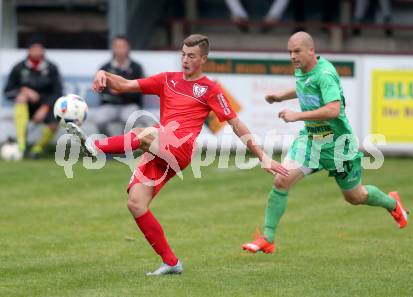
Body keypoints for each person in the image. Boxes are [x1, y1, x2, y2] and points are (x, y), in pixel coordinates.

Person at [66, 34, 289, 275]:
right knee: (136, 204)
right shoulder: (167, 80)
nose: (185, 59)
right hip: (159, 148)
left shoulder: (210, 89)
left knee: (142, 133)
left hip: (180, 148)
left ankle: (93, 146)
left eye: (191, 56)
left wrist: (262, 155)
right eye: (183, 54)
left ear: (203, 59)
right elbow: (124, 85)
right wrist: (104, 75)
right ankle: (172, 262)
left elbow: (236, 124)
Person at [242, 31, 408, 254]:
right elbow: (304, 87)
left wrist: (297, 115)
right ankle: (268, 237)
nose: (292, 56)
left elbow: (333, 109)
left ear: (311, 50)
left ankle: (392, 203)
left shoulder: (325, 74)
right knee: (281, 180)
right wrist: (280, 96)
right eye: (290, 52)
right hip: (311, 141)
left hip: (338, 146)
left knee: (355, 197)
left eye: (297, 51)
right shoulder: (303, 70)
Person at [3, 41, 63, 158]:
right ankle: (21, 144)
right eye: (33, 48)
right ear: (29, 50)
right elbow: (8, 91)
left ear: (43, 51)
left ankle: (37, 149)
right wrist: (23, 90)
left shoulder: (51, 68)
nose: (36, 51)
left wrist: (45, 107)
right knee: (21, 98)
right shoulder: (19, 67)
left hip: (45, 106)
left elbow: (58, 92)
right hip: (26, 106)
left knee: (55, 124)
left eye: (39, 48)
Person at [95, 36, 145, 136]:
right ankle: (109, 145)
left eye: (123, 46)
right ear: (113, 48)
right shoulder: (105, 68)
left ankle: (123, 146)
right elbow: (101, 90)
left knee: (129, 120)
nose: (120, 49)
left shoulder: (136, 68)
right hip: (110, 105)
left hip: (129, 105)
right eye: (117, 46)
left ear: (128, 48)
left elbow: (140, 91)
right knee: (100, 120)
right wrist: (111, 92)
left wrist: (122, 90)